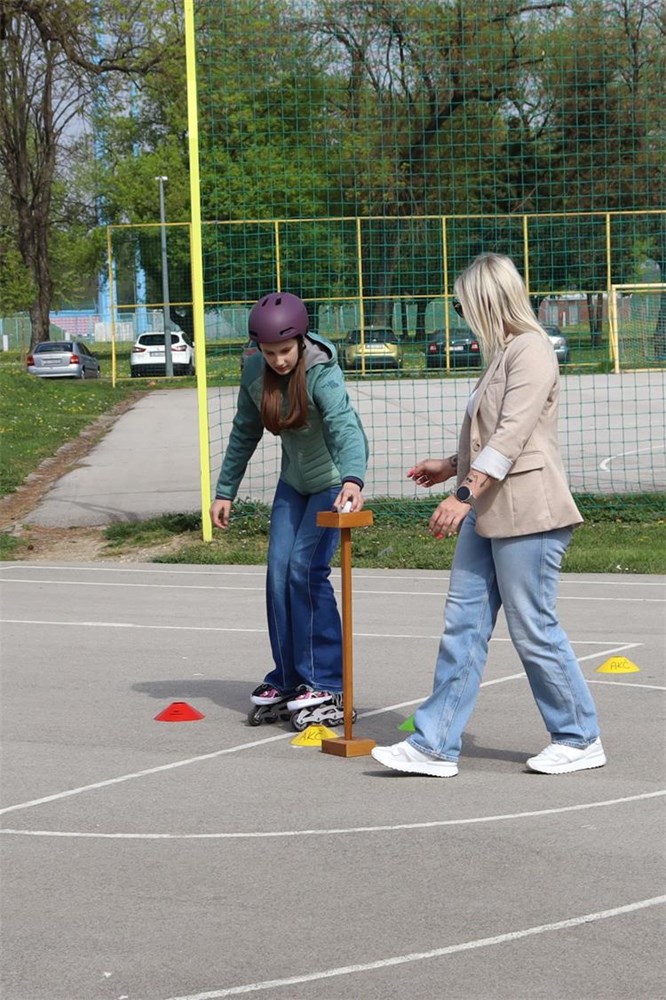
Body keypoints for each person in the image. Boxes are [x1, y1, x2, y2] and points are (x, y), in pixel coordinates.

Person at [371, 253, 606, 777]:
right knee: (464, 625)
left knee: (533, 627)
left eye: (463, 304)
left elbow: (512, 436)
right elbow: (488, 436)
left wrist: (462, 494)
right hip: (488, 505)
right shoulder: (502, 354)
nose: (461, 314)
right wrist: (451, 465)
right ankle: (434, 744)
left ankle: (579, 737)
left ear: (488, 299)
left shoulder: (532, 350)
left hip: (529, 511)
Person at [210, 291, 368, 731]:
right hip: (293, 484)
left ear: (300, 341)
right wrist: (225, 491)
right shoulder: (254, 372)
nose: (279, 360)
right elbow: (244, 432)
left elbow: (345, 428)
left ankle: (328, 682)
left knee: (305, 569)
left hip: (333, 483)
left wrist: (353, 479)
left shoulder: (321, 370)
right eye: (270, 352)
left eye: (285, 350)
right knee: (278, 572)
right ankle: (289, 677)